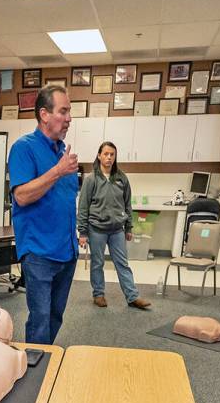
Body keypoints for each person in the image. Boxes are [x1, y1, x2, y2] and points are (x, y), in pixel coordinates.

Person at [9, 84, 79, 345]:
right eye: (63, 111)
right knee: (39, 319)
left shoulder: (62, 152)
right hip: (39, 253)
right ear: (44, 115)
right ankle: (35, 373)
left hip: (66, 251)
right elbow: (22, 196)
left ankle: (43, 363)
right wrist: (58, 171)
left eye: (69, 112)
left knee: (55, 317)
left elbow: (65, 200)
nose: (69, 118)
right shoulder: (23, 148)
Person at [78, 141, 150, 310]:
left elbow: (127, 204)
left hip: (117, 229)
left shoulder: (121, 178)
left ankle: (132, 296)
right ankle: (99, 294)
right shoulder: (91, 180)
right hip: (96, 229)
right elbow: (83, 207)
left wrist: (129, 227)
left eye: (112, 154)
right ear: (99, 155)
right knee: (98, 263)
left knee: (122, 263)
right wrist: (83, 232)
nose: (109, 157)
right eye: (106, 154)